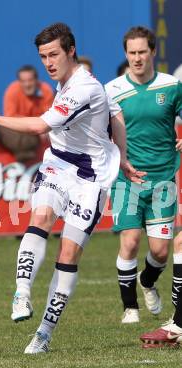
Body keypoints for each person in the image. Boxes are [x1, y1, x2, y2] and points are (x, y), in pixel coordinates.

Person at [0, 22, 143, 354]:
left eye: (53, 55)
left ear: (70, 51)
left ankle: (44, 333)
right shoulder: (65, 82)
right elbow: (115, 114)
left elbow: (39, 126)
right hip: (57, 165)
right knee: (41, 217)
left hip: (90, 180)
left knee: (68, 253)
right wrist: (121, 155)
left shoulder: (84, 88)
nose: (48, 63)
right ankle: (21, 292)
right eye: (43, 56)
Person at [105, 26, 182, 324]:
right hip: (128, 178)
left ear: (153, 52)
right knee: (130, 240)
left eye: (142, 52)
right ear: (125, 54)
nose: (136, 58)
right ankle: (130, 308)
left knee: (161, 252)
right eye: (131, 52)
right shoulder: (111, 90)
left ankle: (147, 281)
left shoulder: (171, 86)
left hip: (163, 178)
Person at [2, 65, 54, 162]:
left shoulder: (45, 89)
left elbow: (50, 116)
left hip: (42, 132)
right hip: (20, 132)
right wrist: (34, 125)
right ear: (19, 82)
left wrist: (40, 126)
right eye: (23, 81)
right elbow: (10, 118)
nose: (27, 84)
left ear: (36, 81)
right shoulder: (12, 90)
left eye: (30, 80)